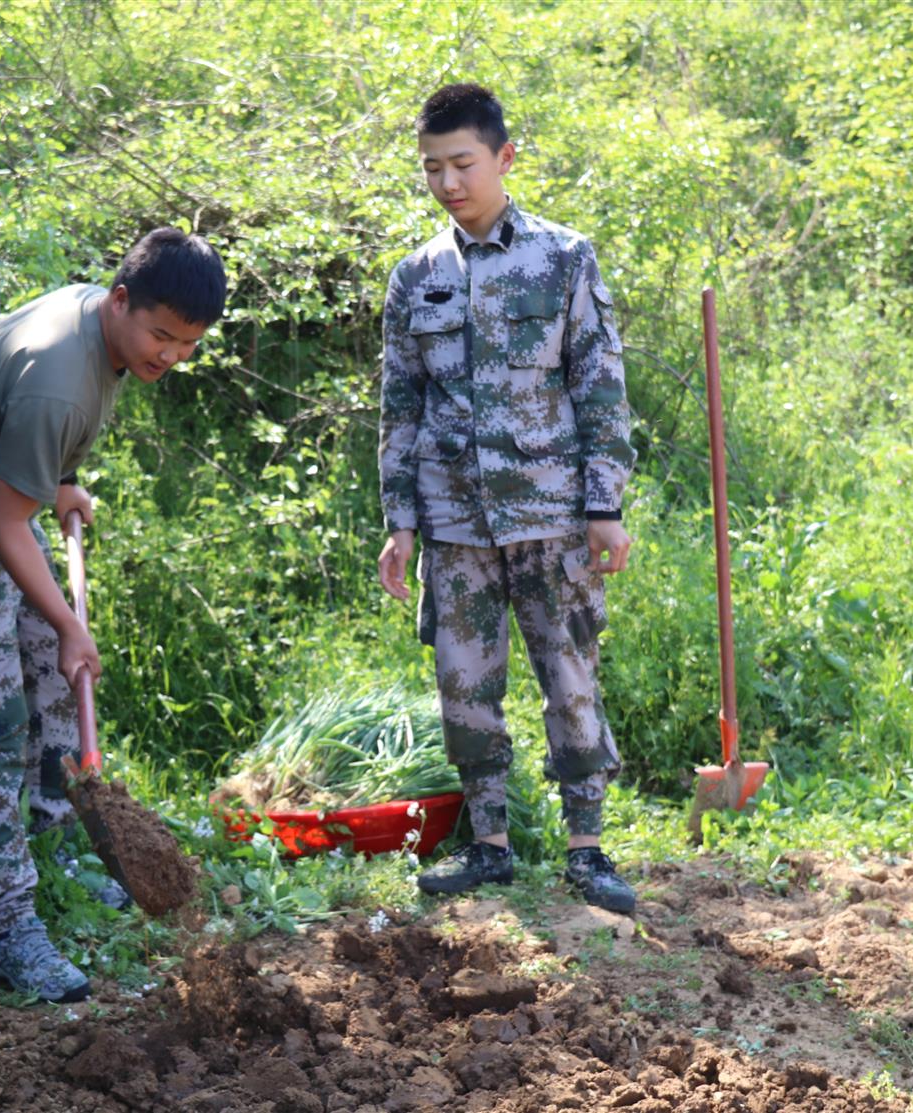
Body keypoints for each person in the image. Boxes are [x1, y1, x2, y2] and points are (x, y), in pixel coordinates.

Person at [0, 228, 226, 1001]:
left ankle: (56, 851)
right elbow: (7, 522)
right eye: (160, 335)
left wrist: (61, 478)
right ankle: (7, 926)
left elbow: (25, 447)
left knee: (53, 688)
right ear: (119, 300)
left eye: (188, 343)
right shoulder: (60, 379)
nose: (169, 355)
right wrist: (72, 621)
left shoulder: (96, 331)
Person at [376, 83, 639, 913]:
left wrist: (605, 503)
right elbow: (400, 405)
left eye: (462, 164)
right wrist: (400, 521)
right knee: (464, 686)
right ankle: (488, 845)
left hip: (551, 514)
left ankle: (586, 848)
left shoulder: (564, 257)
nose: (448, 183)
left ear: (503, 158)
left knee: (569, 679)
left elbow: (598, 387)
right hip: (453, 519)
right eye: (431, 169)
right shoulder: (414, 277)